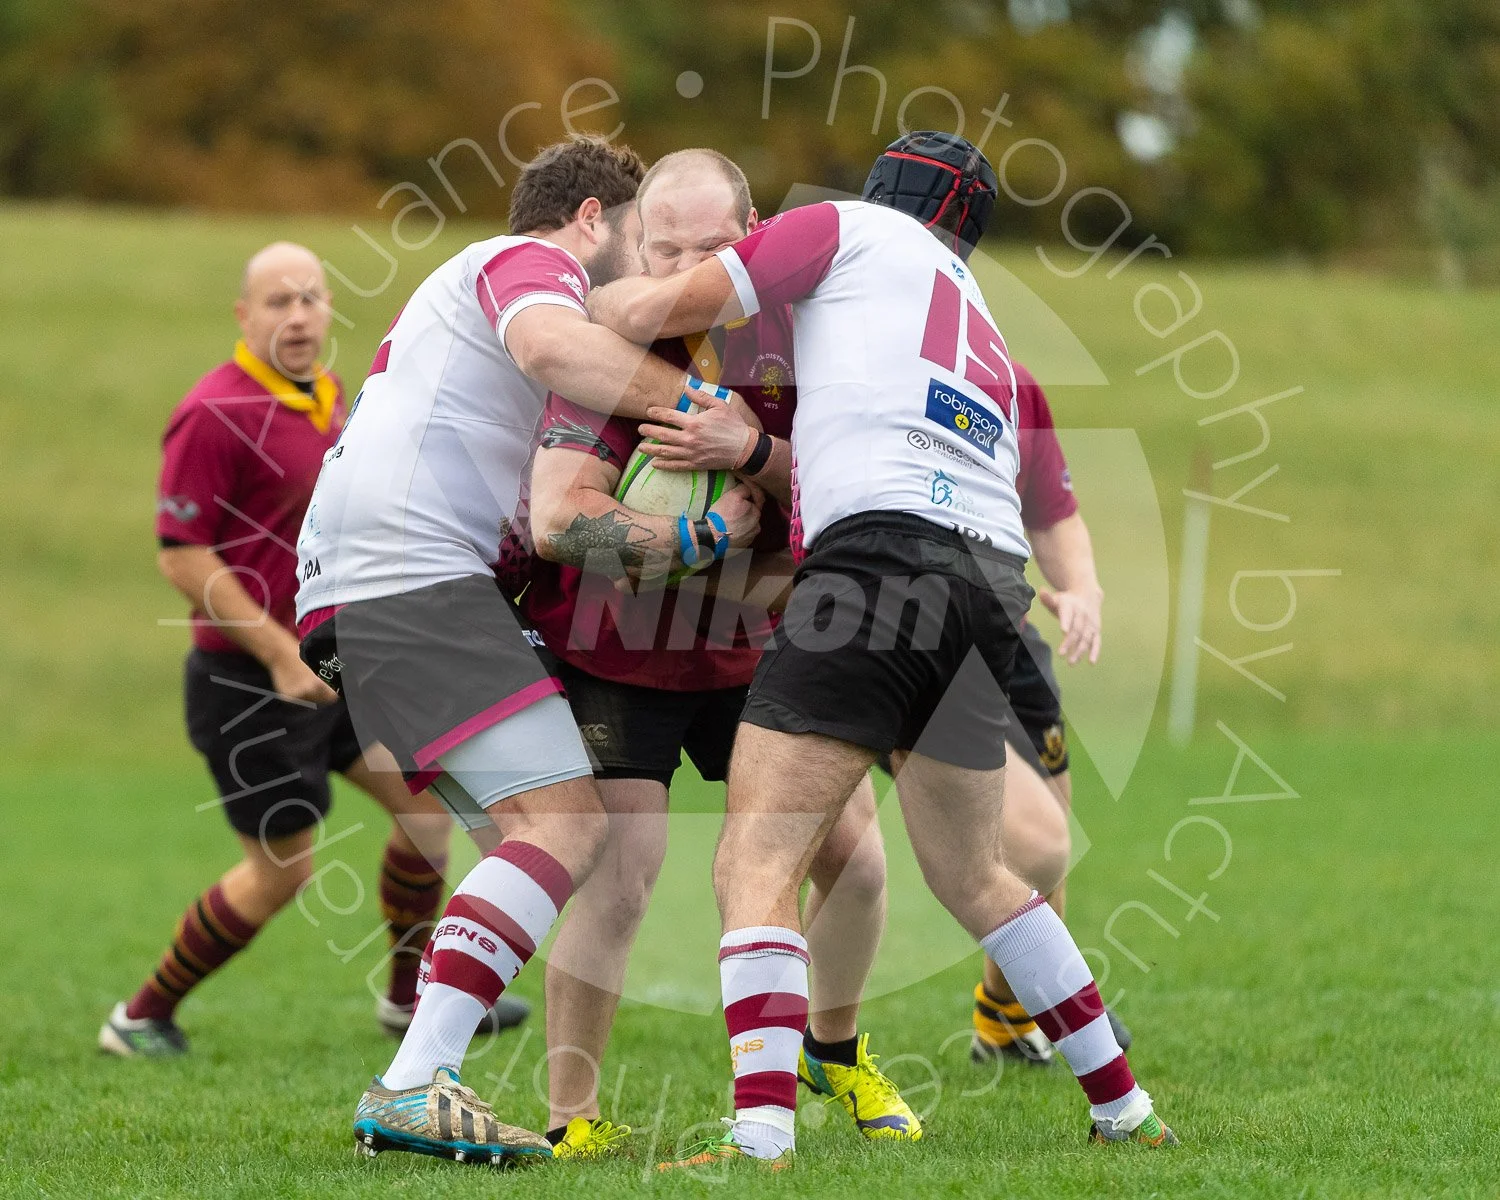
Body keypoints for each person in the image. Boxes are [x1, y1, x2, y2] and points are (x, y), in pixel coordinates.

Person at [586, 131, 1176, 1165]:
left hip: (876, 563)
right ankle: (1125, 1109)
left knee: (757, 859)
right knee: (977, 873)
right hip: (986, 583)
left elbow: (658, 311)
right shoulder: (974, 307)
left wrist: (573, 300)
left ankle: (760, 1138)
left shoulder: (840, 229)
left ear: (877, 191)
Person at [293, 135, 763, 1166]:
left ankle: (422, 1077)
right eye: (642, 241)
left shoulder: (470, 311)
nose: (651, 276)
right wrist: (708, 415)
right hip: (410, 578)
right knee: (567, 824)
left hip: (372, 592)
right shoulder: (526, 262)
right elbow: (553, 348)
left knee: (542, 838)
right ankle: (412, 1084)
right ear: (593, 220)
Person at [525, 148, 917, 1158]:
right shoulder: (607, 352)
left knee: (856, 869)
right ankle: (572, 1119)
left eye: (713, 246)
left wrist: (749, 451)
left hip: (763, 647)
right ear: (635, 245)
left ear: (753, 239)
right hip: (621, 653)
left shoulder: (805, 335)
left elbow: (845, 488)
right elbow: (559, 520)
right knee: (619, 881)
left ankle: (834, 1052)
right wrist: (696, 535)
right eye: (666, 248)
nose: (688, 266)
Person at [100, 244, 527, 1057]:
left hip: (338, 665)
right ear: (244, 315)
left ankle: (406, 1003)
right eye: (277, 302)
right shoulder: (213, 412)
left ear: (330, 308)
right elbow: (181, 555)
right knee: (283, 873)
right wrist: (275, 653)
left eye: (310, 298)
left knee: (426, 813)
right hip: (248, 685)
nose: (297, 316)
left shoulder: (334, 397)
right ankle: (140, 1015)